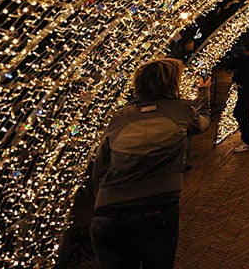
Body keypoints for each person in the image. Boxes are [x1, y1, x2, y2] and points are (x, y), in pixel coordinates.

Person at [90, 58, 211, 269]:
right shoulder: (182, 110)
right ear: (171, 83)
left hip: (107, 216)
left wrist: (103, 200)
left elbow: (99, 166)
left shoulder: (119, 116)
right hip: (155, 213)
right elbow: (202, 123)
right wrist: (204, 93)